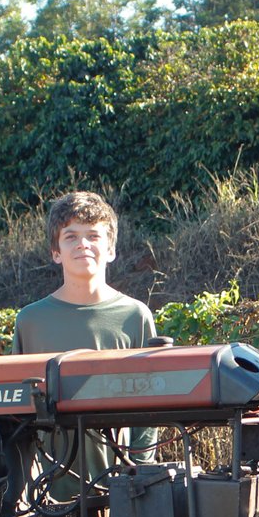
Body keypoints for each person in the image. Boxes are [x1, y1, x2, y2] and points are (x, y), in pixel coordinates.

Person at [12, 191, 159, 498]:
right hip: (50, 495)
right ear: (56, 251)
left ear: (111, 249)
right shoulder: (30, 320)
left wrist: (140, 474)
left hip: (122, 490)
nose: (83, 244)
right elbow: (19, 412)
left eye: (93, 235)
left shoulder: (135, 316)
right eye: (71, 236)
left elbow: (153, 406)